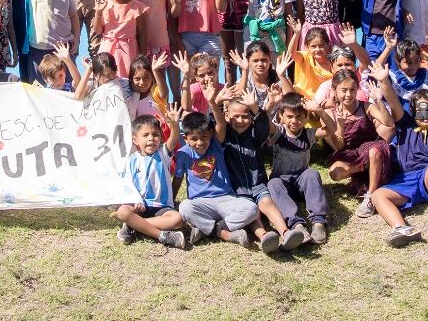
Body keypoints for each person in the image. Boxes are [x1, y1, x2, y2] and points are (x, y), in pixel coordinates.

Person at [215, 87, 301, 253]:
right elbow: (213, 123)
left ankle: (286, 232)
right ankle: (264, 237)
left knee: (267, 203)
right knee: (252, 213)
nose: (240, 120)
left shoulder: (255, 135)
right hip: (236, 189)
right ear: (227, 116)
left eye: (245, 116)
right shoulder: (224, 137)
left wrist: (255, 107)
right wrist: (217, 102)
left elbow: (263, 123)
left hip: (258, 183)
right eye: (236, 116)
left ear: (251, 118)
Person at [372, 87, 428, 246]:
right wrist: (384, 81)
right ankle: (402, 229)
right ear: (412, 111)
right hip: (404, 181)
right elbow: (393, 101)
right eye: (421, 110)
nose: (426, 116)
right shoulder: (405, 124)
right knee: (378, 195)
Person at [174, 109, 259, 246]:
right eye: (194, 139)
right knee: (185, 207)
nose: (200, 142)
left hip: (226, 199)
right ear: (185, 139)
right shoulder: (183, 154)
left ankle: (207, 228)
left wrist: (213, 102)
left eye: (204, 137)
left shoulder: (216, 145)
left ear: (211, 134)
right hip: (200, 202)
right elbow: (177, 178)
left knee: (252, 209)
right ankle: (223, 233)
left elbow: (221, 124)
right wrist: (171, 201)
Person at [317, 68, 394, 219]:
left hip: (373, 147)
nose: (348, 95)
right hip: (351, 154)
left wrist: (378, 100)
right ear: (334, 90)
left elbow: (389, 123)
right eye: (343, 90)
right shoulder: (330, 113)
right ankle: (362, 171)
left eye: (352, 90)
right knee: (335, 173)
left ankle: (370, 196)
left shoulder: (366, 107)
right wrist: (339, 124)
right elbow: (339, 146)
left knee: (374, 151)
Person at [115, 110, 188, 249]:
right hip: (139, 207)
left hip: (161, 207)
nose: (151, 138)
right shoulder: (131, 160)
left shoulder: (163, 153)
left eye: (155, 135)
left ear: (160, 138)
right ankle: (163, 236)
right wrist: (136, 201)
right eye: (145, 135)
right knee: (123, 211)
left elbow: (174, 137)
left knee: (178, 219)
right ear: (135, 140)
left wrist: (174, 124)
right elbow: (128, 185)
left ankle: (135, 225)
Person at [265, 94, 329, 245]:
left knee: (311, 173)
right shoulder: (278, 133)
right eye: (289, 116)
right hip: (282, 184)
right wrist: (271, 104)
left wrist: (319, 111)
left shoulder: (308, 134)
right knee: (273, 183)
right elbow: (263, 122)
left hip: (302, 184)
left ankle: (318, 223)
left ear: (306, 116)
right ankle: (297, 225)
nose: (294, 121)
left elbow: (331, 129)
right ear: (281, 116)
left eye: (299, 116)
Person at [132, 0, 178, 98]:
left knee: (159, 81)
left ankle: (161, 115)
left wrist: (177, 1)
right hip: (136, 38)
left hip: (159, 37)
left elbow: (173, 12)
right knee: (140, 79)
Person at [92, 0, 147, 78]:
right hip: (107, 49)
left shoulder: (137, 7)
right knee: (106, 79)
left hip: (128, 50)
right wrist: (98, 12)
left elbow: (142, 33)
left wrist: (142, 55)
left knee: (127, 80)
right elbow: (98, 31)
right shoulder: (103, 5)